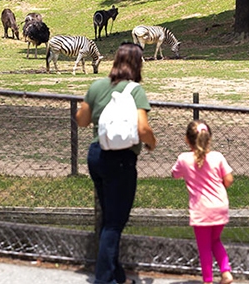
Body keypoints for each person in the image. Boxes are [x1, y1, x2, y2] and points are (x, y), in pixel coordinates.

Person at [76, 42, 157, 284]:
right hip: (121, 161)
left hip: (96, 155)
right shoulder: (135, 90)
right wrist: (151, 142)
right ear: (137, 63)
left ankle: (117, 275)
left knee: (108, 218)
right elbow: (143, 129)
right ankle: (104, 280)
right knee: (115, 222)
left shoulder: (98, 85)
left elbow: (81, 120)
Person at [171, 120, 234, 284]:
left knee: (204, 246)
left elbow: (175, 174)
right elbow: (228, 179)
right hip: (220, 205)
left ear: (187, 139)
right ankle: (226, 272)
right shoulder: (217, 157)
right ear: (209, 138)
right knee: (215, 240)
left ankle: (208, 280)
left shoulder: (184, 159)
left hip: (201, 209)